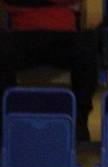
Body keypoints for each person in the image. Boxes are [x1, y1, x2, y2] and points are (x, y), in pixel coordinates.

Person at [0, 1, 98, 141]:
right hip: (22, 35)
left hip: (63, 36)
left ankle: (79, 122)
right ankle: (7, 122)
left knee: (87, 50)